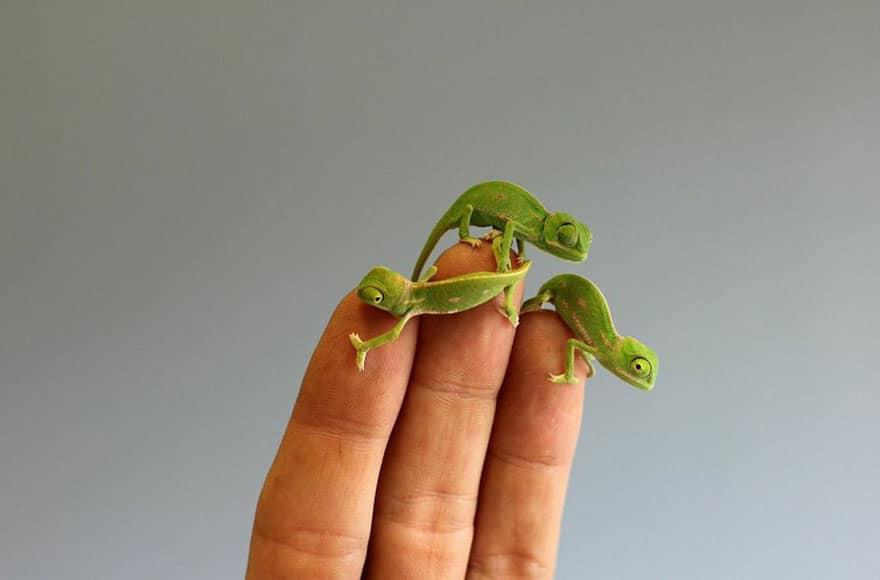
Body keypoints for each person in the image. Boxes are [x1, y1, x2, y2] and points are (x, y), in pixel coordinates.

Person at [245, 242, 589, 579]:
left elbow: (390, 336)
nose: (371, 302)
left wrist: (364, 347)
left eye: (379, 298)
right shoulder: (417, 291)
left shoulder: (411, 305)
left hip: (481, 297)